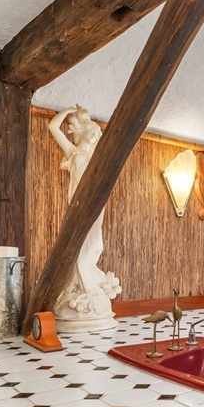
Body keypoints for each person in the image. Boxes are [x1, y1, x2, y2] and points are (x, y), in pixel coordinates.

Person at [47, 106, 121, 329]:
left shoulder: (97, 157)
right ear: (81, 131)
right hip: (78, 205)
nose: (95, 133)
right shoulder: (74, 152)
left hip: (96, 203)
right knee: (80, 245)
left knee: (96, 243)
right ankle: (82, 285)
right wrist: (68, 111)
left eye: (96, 131)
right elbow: (53, 127)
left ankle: (88, 282)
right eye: (91, 129)